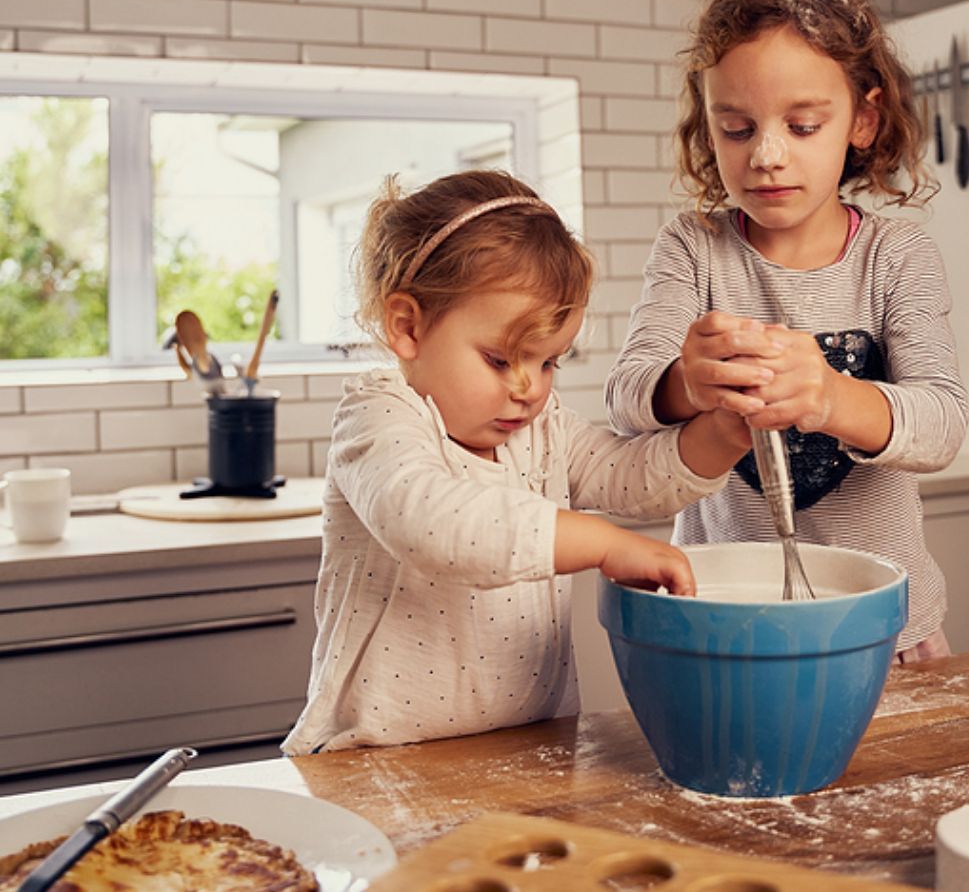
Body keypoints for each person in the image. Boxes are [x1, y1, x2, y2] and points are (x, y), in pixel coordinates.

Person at [282, 169, 751, 754]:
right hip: (377, 759)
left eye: (549, 361)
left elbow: (629, 476)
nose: (529, 388)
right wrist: (603, 545)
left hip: (525, 746)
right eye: (501, 360)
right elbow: (433, 522)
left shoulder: (541, 427)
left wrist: (728, 431)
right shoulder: (379, 415)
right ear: (408, 327)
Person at [604, 0, 969, 662]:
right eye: (737, 129)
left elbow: (942, 424)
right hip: (726, 619)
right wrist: (687, 380)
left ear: (862, 119)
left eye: (802, 125)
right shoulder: (694, 247)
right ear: (707, 125)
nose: (767, 156)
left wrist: (830, 396)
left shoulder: (896, 254)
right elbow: (627, 400)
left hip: (887, 627)